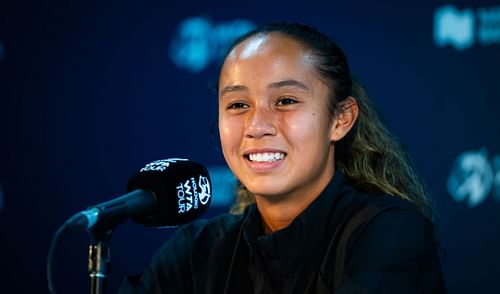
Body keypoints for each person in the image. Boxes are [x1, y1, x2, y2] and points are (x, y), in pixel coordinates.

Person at [120, 22, 447, 293]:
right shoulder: (196, 250)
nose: (256, 126)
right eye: (237, 105)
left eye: (286, 100)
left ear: (340, 119)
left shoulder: (387, 231)